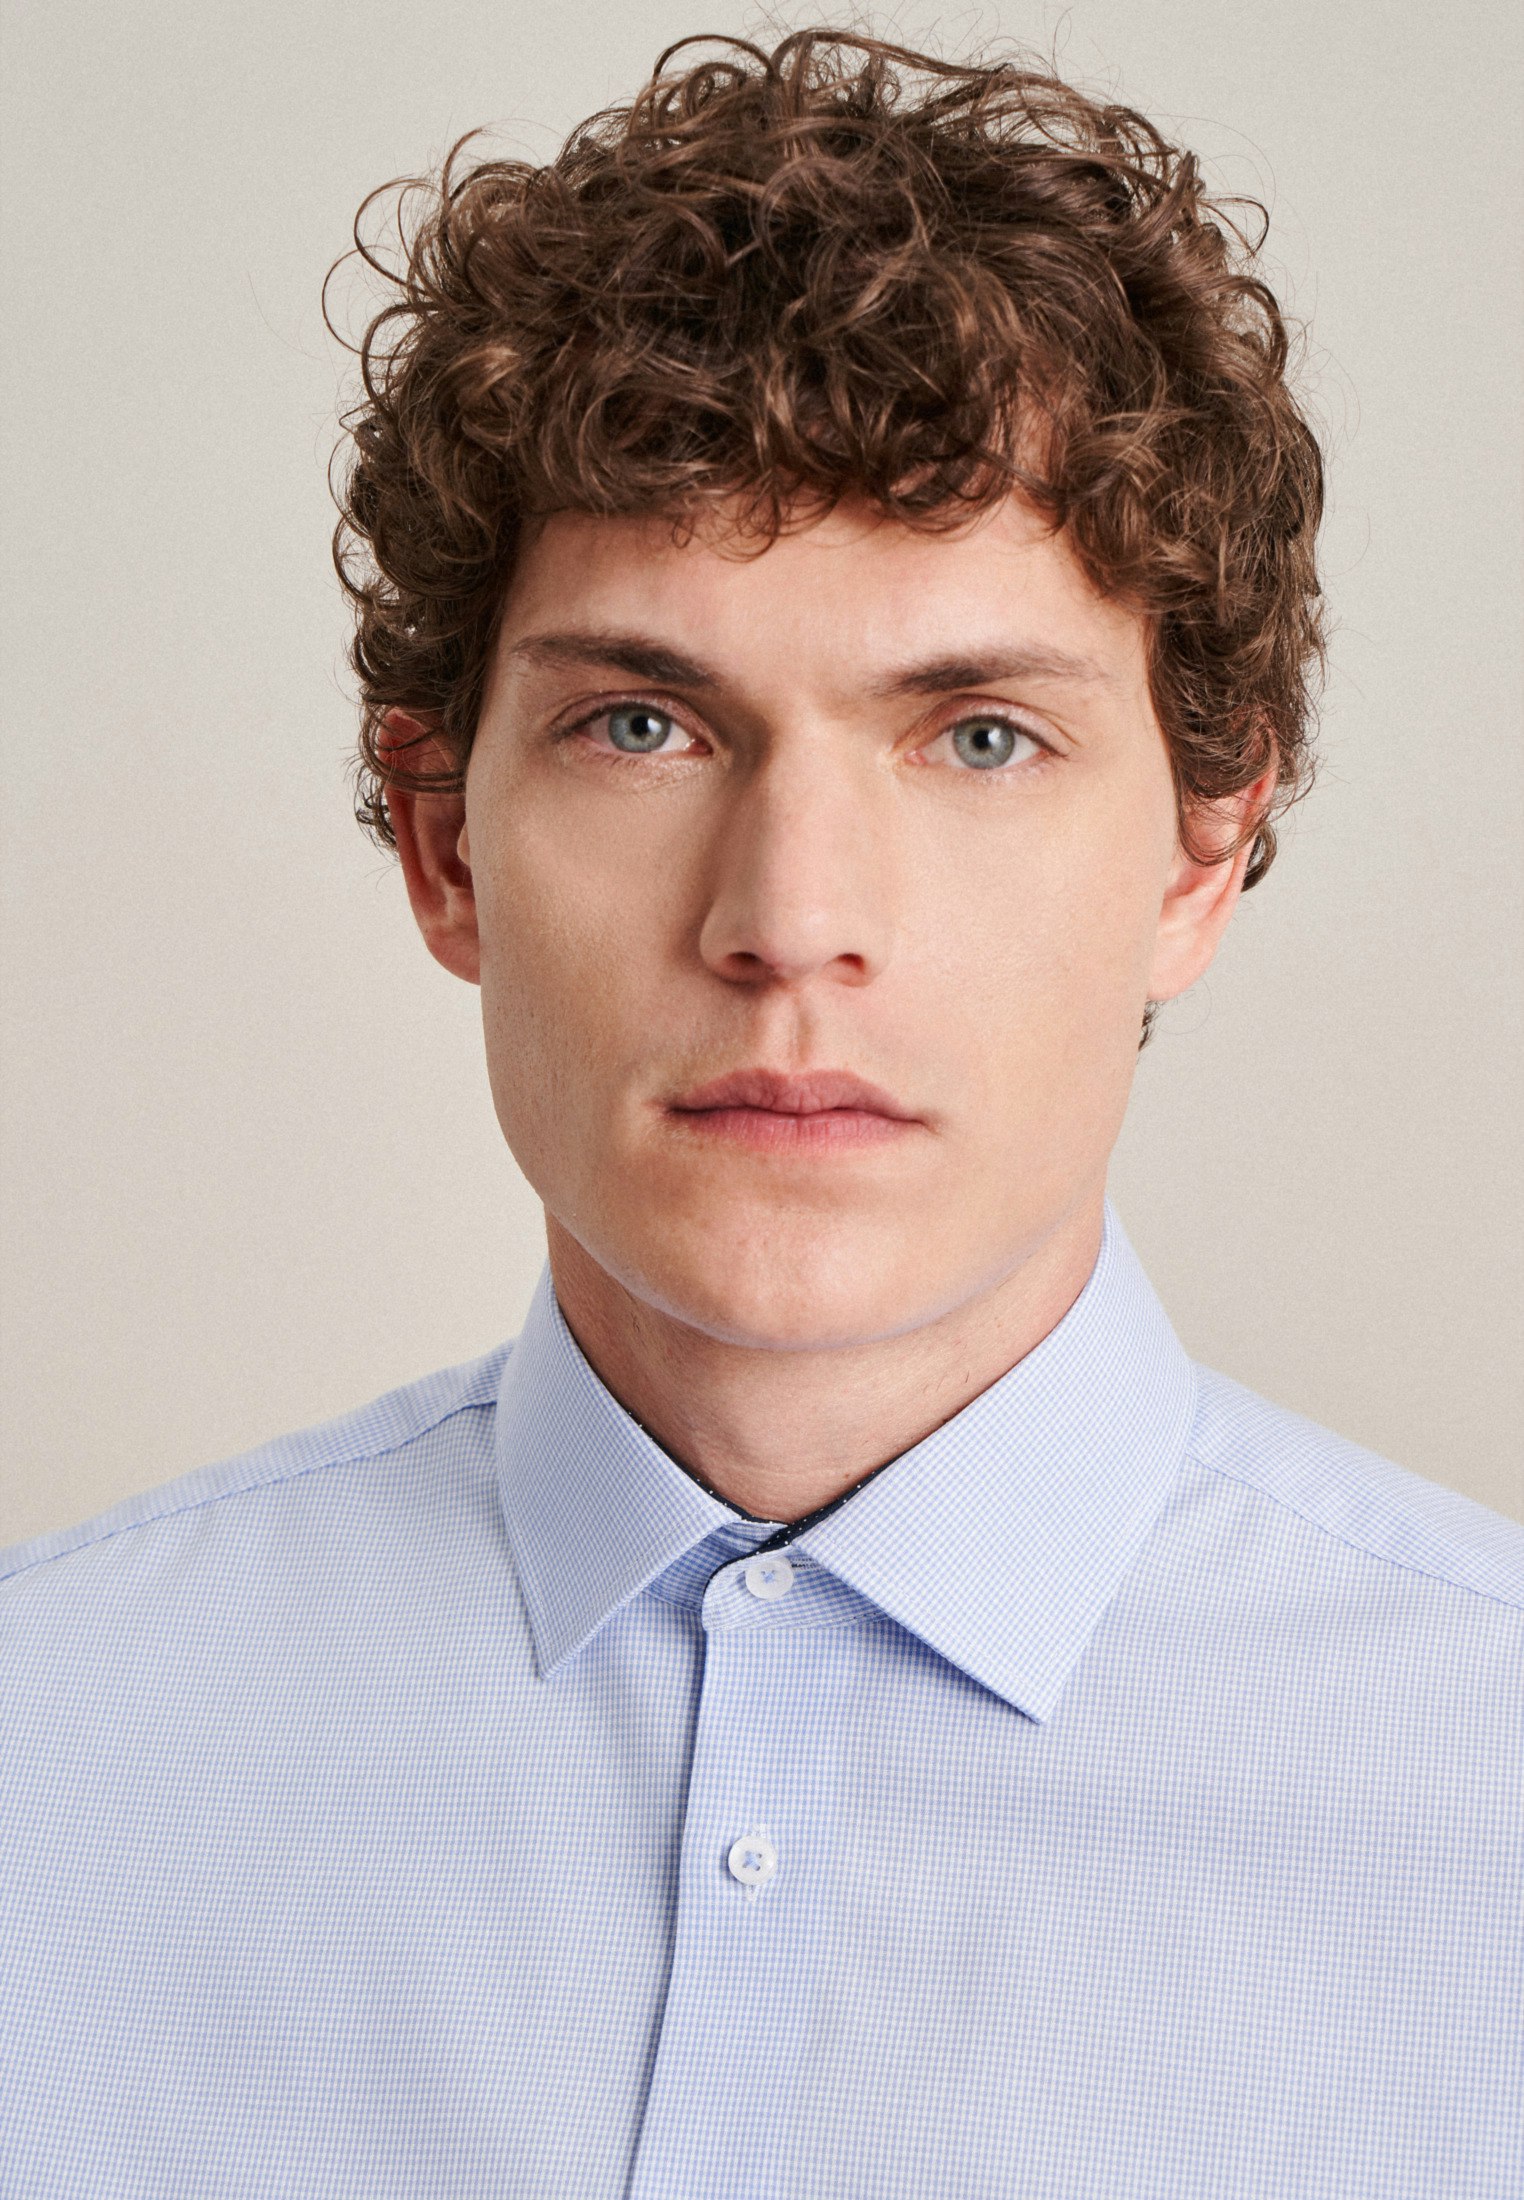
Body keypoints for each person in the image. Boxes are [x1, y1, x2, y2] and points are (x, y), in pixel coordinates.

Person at [2, 29, 1518, 2199]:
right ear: (443, 841)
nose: (792, 921)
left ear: (1200, 855)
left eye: (978, 736)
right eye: (644, 723)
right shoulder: (42, 1760)